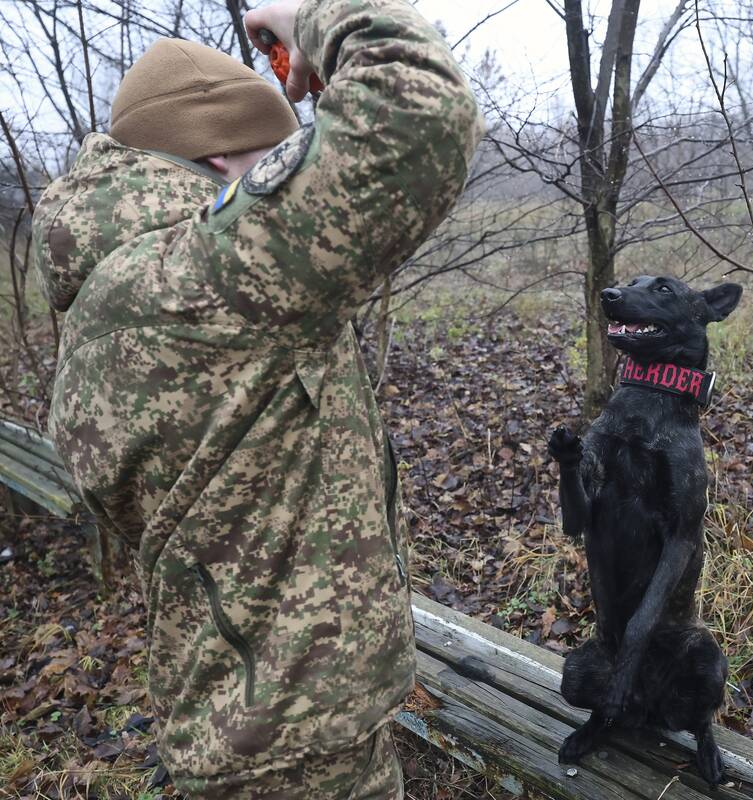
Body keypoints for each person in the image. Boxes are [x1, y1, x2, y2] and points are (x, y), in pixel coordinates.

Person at [30, 0, 483, 795]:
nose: (295, 178)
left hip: (249, 720)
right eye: (277, 162)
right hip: (298, 751)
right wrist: (316, 14)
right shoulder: (189, 283)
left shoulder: (117, 288)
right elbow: (418, 111)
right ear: (218, 162)